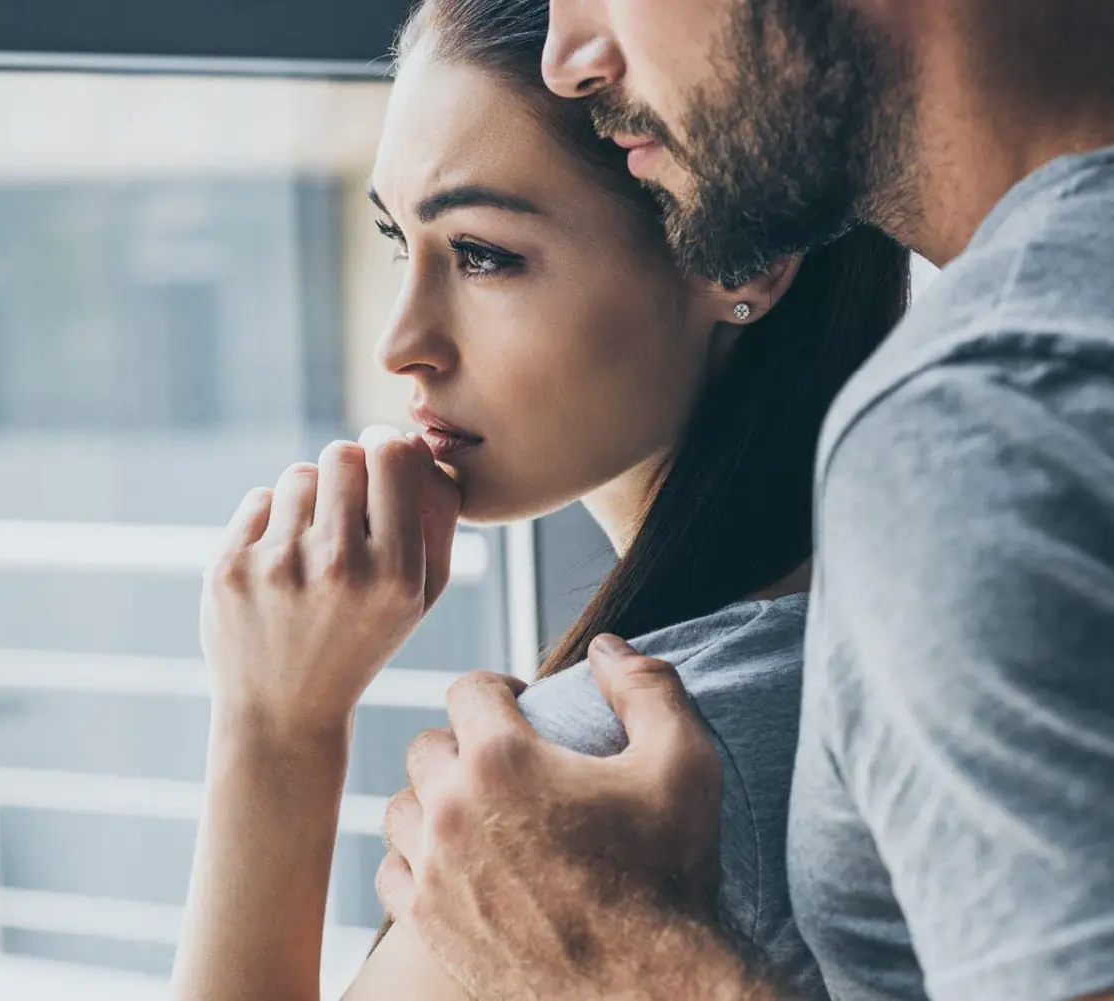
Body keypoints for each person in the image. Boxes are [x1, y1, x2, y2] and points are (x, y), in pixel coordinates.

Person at [168, 0, 908, 998]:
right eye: (401, 242)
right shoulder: (884, 625)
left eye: (483, 255)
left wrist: (273, 728)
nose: (401, 342)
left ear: (743, 259)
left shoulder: (615, 768)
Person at [376, 1, 1114, 1000]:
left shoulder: (979, 423)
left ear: (747, 276)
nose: (570, 55)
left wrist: (625, 961)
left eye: (484, 252)